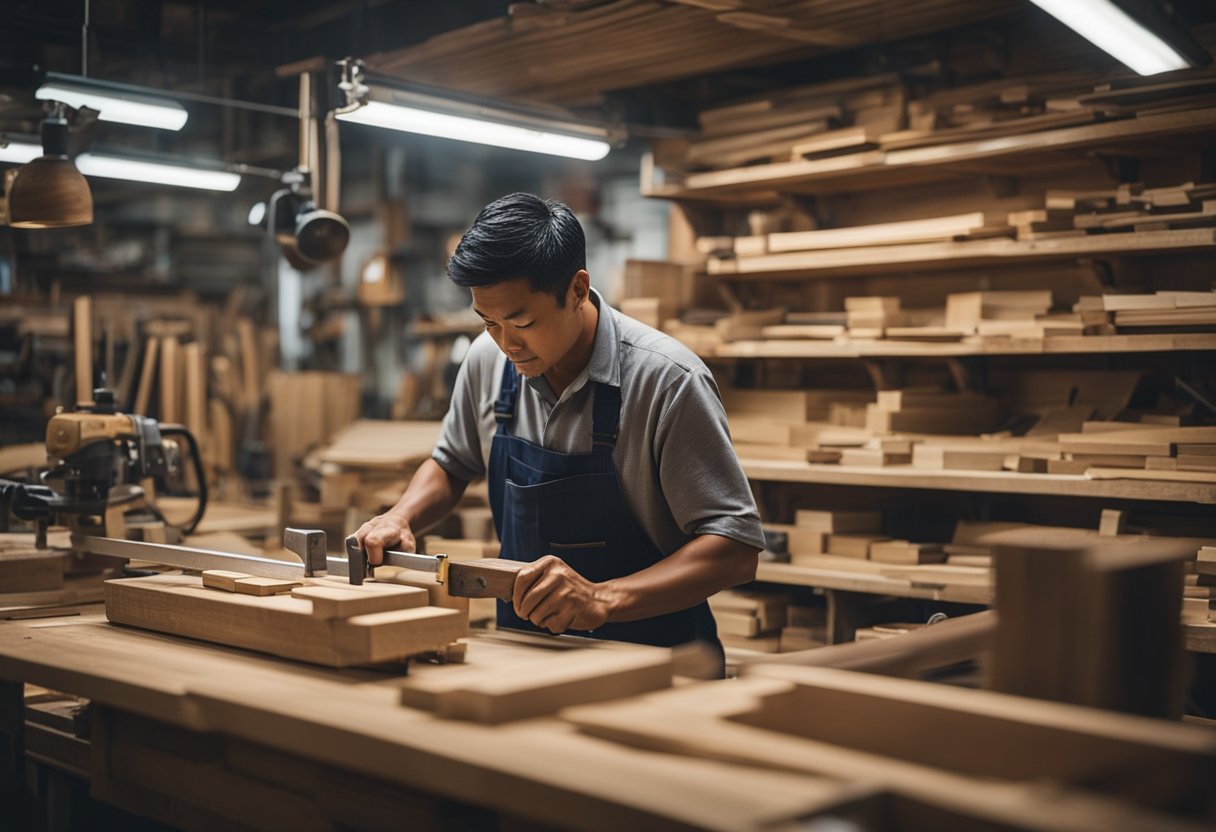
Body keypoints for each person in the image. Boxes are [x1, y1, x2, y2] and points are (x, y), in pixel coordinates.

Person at [354, 192, 763, 672]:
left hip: (655, 664)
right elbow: (452, 462)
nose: (507, 343)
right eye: (489, 322)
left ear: (577, 289)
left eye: (523, 322)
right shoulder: (487, 362)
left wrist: (601, 598)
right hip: (525, 656)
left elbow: (735, 548)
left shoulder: (667, 381)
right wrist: (402, 517)